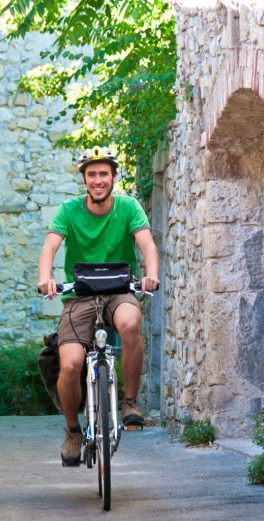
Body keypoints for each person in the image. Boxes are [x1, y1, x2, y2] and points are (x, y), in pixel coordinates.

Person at [37, 146, 160, 466]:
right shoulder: (69, 210)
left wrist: (151, 275)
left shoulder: (129, 207)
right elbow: (50, 247)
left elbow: (147, 245)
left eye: (104, 173)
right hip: (79, 295)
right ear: (84, 180)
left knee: (131, 325)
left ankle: (129, 402)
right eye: (92, 174)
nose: (98, 180)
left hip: (120, 290)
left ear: (114, 177)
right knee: (70, 364)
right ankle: (73, 430)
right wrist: (45, 278)